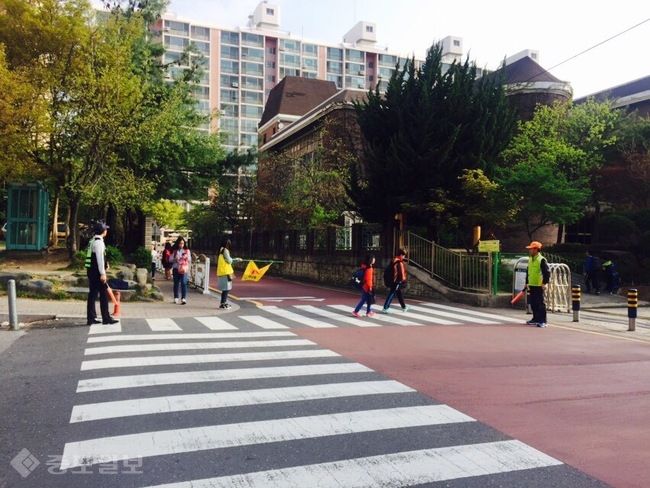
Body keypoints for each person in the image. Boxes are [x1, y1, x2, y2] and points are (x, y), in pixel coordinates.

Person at [85, 221, 119, 325]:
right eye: (106, 229)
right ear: (103, 231)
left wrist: (105, 264)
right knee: (103, 295)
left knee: (93, 294)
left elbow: (95, 258)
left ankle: (91, 318)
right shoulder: (99, 242)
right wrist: (103, 273)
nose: (107, 231)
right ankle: (106, 317)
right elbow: (99, 259)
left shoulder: (92, 241)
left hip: (91, 271)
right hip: (97, 272)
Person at [525, 241, 550, 328]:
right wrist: (526, 282)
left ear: (536, 249)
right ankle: (535, 318)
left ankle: (543, 320)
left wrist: (545, 283)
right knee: (533, 303)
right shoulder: (530, 259)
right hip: (532, 284)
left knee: (540, 303)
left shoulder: (541, 260)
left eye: (531, 249)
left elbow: (546, 272)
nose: (530, 250)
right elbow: (528, 272)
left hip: (539, 285)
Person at [217, 238, 242, 309]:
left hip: (223, 272)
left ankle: (223, 302)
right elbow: (229, 260)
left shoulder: (221, 250)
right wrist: (237, 259)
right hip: (226, 272)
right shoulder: (225, 250)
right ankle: (223, 303)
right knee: (226, 288)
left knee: (225, 289)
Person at [382, 248, 410, 313]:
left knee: (399, 293)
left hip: (393, 280)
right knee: (392, 293)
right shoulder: (399, 262)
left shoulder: (394, 260)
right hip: (397, 280)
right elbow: (401, 272)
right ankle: (385, 307)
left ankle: (404, 307)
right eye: (403, 255)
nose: (404, 257)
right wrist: (404, 280)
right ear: (401, 255)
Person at [170, 236, 191, 304]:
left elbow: (190, 260)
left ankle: (183, 298)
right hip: (176, 268)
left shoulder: (187, 251)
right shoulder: (175, 251)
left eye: (182, 243)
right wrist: (174, 259)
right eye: (180, 243)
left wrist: (186, 257)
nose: (181, 245)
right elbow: (170, 259)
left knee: (183, 283)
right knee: (176, 283)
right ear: (177, 244)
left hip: (183, 269)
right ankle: (176, 297)